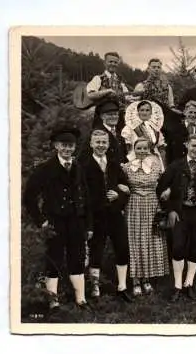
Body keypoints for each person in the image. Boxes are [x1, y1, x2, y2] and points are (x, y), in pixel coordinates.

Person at [23, 125, 92, 310]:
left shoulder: (78, 167)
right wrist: (41, 221)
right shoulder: (45, 169)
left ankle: (81, 299)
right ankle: (53, 300)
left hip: (76, 220)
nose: (68, 149)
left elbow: (85, 197)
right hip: (54, 221)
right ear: (56, 146)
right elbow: (29, 197)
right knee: (53, 259)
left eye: (71, 145)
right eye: (64, 145)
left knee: (77, 257)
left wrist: (88, 223)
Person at [156, 134, 196, 301]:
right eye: (193, 146)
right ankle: (177, 285)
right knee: (178, 246)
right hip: (180, 212)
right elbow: (161, 188)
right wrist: (170, 209)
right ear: (187, 145)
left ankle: (189, 284)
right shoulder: (175, 166)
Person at [81, 129, 132, 302]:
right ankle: (95, 286)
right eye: (98, 142)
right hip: (96, 216)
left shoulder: (113, 164)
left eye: (104, 142)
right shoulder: (84, 166)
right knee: (96, 249)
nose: (101, 145)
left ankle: (122, 287)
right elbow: (82, 194)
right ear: (91, 144)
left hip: (115, 214)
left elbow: (126, 188)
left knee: (122, 247)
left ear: (108, 145)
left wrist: (118, 194)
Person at [122, 138, 169, 296]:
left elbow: (164, 184)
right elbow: (118, 183)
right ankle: (135, 280)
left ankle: (147, 279)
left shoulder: (156, 165)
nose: (142, 151)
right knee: (135, 241)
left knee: (149, 240)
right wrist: (122, 188)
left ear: (149, 150)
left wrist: (166, 191)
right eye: (139, 148)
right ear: (134, 149)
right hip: (134, 205)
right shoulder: (127, 167)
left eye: (144, 148)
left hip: (152, 204)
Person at [87, 52, 132, 132]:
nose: (113, 64)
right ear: (105, 63)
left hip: (118, 117)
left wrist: (134, 98)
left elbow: (127, 97)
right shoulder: (98, 78)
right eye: (110, 61)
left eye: (115, 62)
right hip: (102, 116)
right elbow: (90, 95)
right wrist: (107, 91)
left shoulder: (120, 80)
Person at [121, 100, 167, 171]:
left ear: (151, 112)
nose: (144, 113)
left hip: (154, 160)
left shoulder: (155, 128)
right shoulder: (130, 127)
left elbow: (161, 147)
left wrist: (163, 164)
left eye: (147, 110)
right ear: (138, 112)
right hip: (136, 159)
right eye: (142, 110)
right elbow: (126, 148)